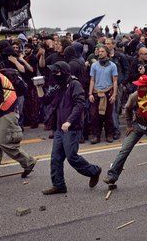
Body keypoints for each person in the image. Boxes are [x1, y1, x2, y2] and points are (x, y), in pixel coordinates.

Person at [40, 62, 102, 195]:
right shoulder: (58, 86)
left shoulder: (75, 84)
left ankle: (94, 171)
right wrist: (39, 87)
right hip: (59, 128)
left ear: (63, 72)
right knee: (56, 158)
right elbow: (45, 100)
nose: (54, 75)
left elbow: (79, 105)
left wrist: (69, 121)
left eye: (56, 72)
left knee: (71, 157)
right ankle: (59, 185)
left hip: (72, 128)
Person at [88, 45, 118, 144]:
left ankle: (109, 134)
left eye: (102, 51)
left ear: (107, 53)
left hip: (108, 92)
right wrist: (90, 93)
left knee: (108, 116)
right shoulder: (94, 65)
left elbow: (115, 81)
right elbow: (92, 80)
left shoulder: (112, 65)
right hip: (97, 93)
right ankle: (96, 135)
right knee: (95, 116)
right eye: (99, 51)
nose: (100, 53)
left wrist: (114, 95)